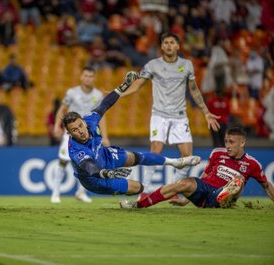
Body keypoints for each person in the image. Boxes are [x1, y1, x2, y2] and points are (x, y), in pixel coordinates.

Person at [63, 71, 201, 196]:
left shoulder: (91, 120)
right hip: (95, 179)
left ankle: (175, 162)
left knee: (136, 157)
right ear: (69, 134)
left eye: (80, 125)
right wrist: (108, 173)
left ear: (84, 122)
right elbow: (90, 167)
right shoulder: (76, 150)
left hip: (106, 156)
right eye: (75, 130)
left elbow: (105, 104)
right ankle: (123, 193)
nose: (80, 131)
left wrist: (126, 84)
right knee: (139, 188)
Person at [121, 32, 220, 194]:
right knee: (155, 151)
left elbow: (194, 90)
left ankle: (171, 190)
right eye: (166, 42)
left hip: (180, 117)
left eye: (172, 42)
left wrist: (206, 112)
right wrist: (120, 93)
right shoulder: (153, 65)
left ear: (178, 46)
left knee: (187, 158)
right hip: (159, 115)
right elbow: (138, 84)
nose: (168, 45)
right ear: (161, 46)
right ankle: (144, 192)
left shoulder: (187, 65)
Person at [120, 127, 274, 209]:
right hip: (206, 189)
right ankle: (140, 204)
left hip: (222, 195)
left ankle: (223, 198)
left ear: (242, 143)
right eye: (226, 141)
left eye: (231, 142)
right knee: (183, 183)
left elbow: (267, 186)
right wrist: (186, 199)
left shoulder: (252, 164)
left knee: (238, 180)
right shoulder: (217, 153)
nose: (227, 146)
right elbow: (204, 177)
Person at [51, 66, 110, 203]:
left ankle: (80, 192)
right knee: (63, 161)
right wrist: (56, 126)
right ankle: (55, 193)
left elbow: (102, 117)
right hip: (71, 134)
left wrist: (105, 136)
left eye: (91, 76)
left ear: (94, 78)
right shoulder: (72, 93)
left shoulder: (98, 95)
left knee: (87, 163)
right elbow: (62, 109)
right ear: (81, 77)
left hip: (88, 136)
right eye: (86, 75)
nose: (88, 78)